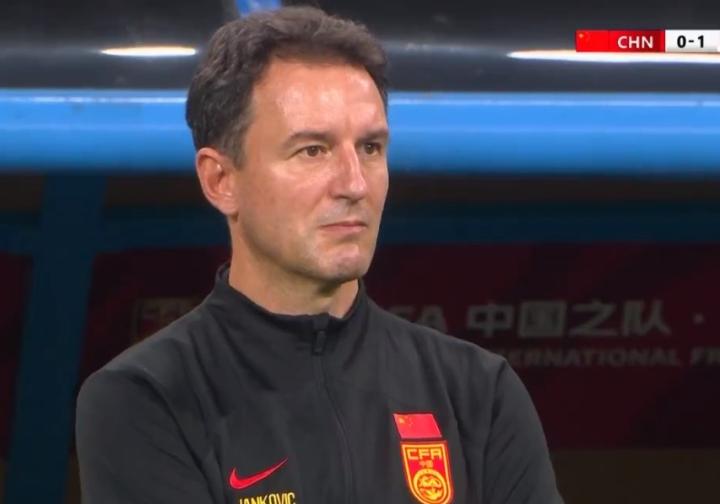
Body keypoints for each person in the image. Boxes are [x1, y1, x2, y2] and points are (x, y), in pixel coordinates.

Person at [76, 6, 563, 504]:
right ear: (221, 180)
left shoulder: (478, 392)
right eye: (313, 150)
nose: (354, 184)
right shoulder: (144, 397)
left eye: (370, 148)